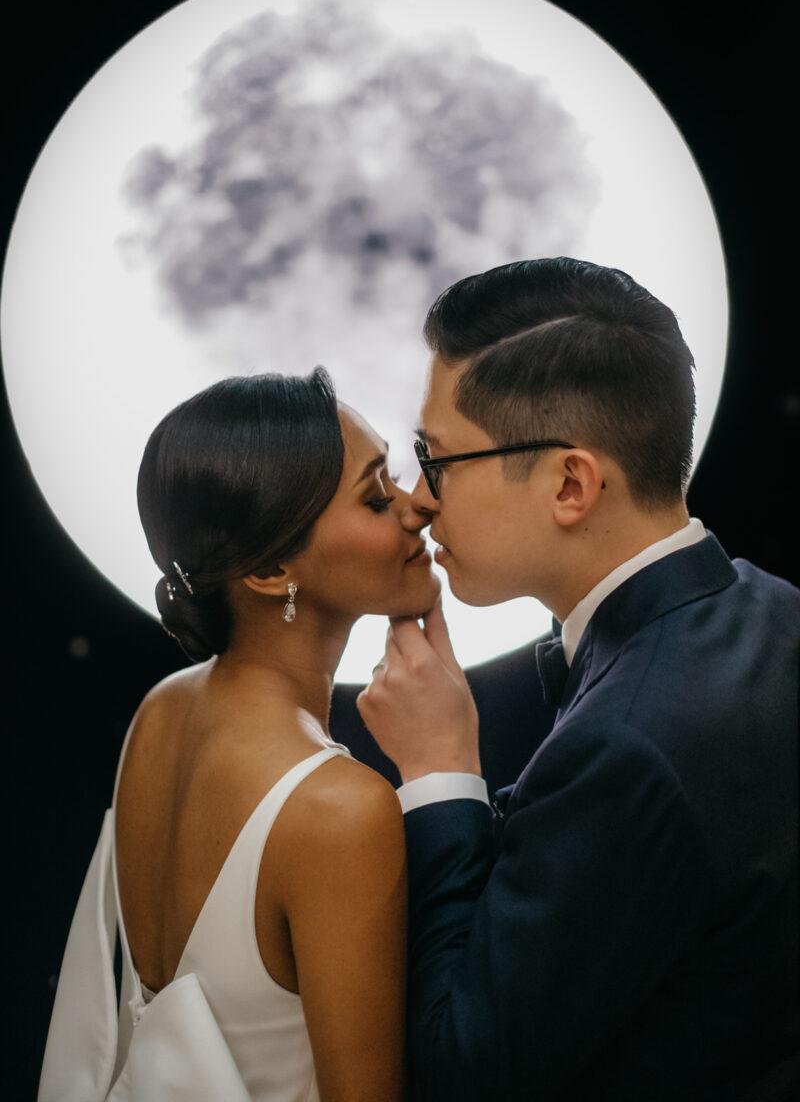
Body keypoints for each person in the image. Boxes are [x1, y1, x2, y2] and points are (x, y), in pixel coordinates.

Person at [357, 257, 800, 1101]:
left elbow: (460, 1070)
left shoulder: (628, 745)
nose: (416, 498)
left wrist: (440, 771)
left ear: (571, 482)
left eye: (436, 458)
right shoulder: (774, 611)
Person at [38, 367, 440, 1102]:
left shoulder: (162, 711)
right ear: (271, 569)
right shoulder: (338, 811)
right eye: (378, 496)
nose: (419, 506)